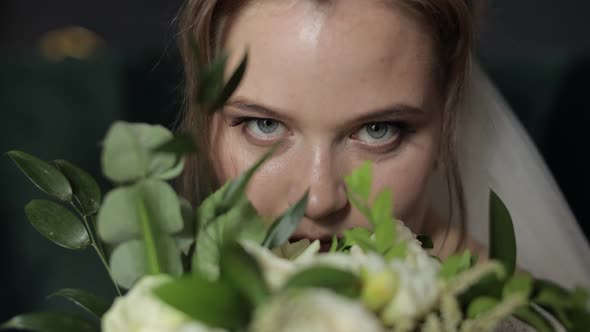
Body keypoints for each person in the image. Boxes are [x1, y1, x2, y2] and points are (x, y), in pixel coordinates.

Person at [175, 0, 590, 289]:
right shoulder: (164, 302)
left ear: (447, 116)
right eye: (263, 125)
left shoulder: (510, 316)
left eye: (378, 131)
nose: (319, 200)